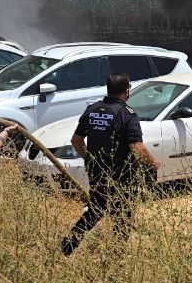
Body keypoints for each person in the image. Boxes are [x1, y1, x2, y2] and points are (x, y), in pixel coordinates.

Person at [60, 73, 159, 256]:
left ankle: (66, 247)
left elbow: (76, 140)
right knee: (122, 218)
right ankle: (116, 259)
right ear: (127, 91)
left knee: (95, 212)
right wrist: (153, 163)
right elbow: (137, 147)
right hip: (120, 177)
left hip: (97, 173)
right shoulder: (126, 114)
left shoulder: (92, 110)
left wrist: (89, 160)